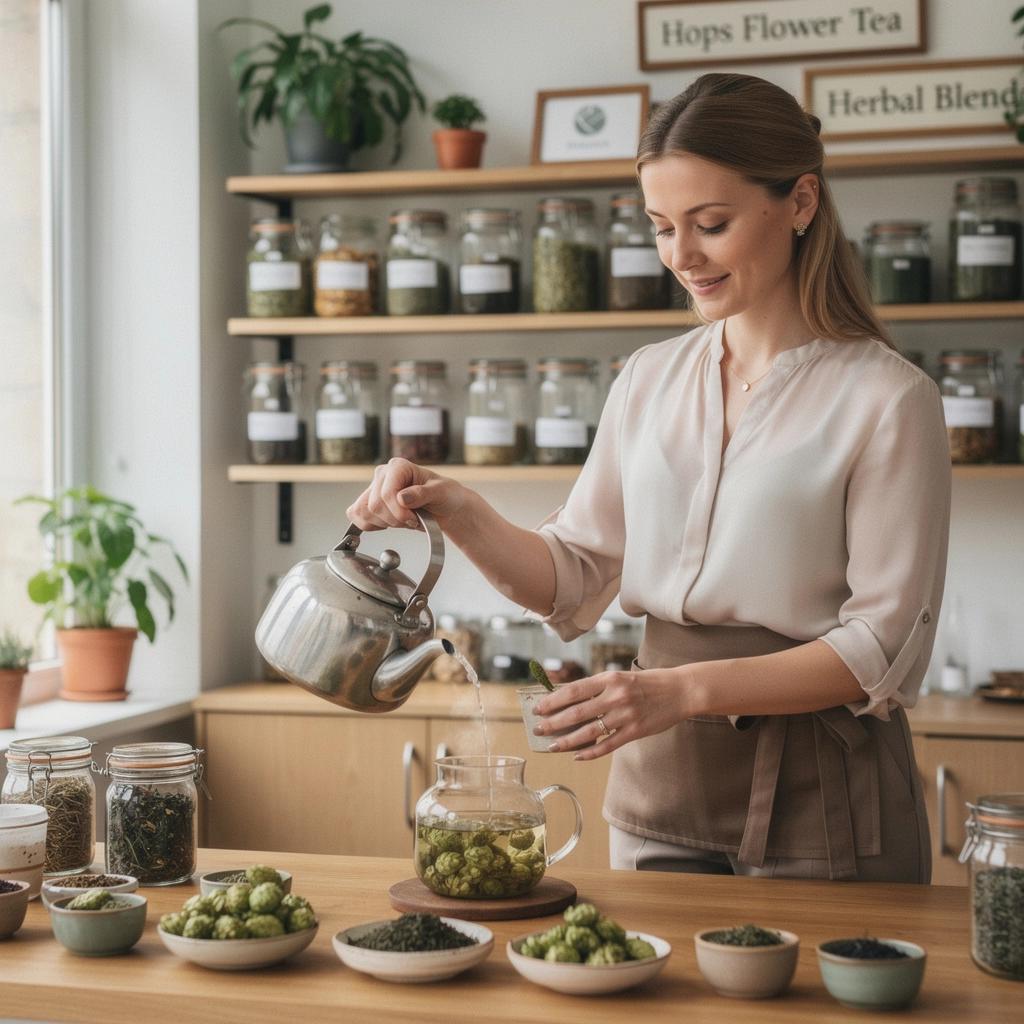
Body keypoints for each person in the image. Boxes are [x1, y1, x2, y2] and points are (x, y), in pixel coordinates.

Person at [346, 73, 951, 883]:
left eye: (711, 224)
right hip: (661, 776)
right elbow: (572, 576)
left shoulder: (890, 399)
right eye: (662, 228)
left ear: (801, 202)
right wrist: (451, 504)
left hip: (828, 788)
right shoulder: (647, 379)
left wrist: (679, 692)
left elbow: (880, 649)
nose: (681, 256)